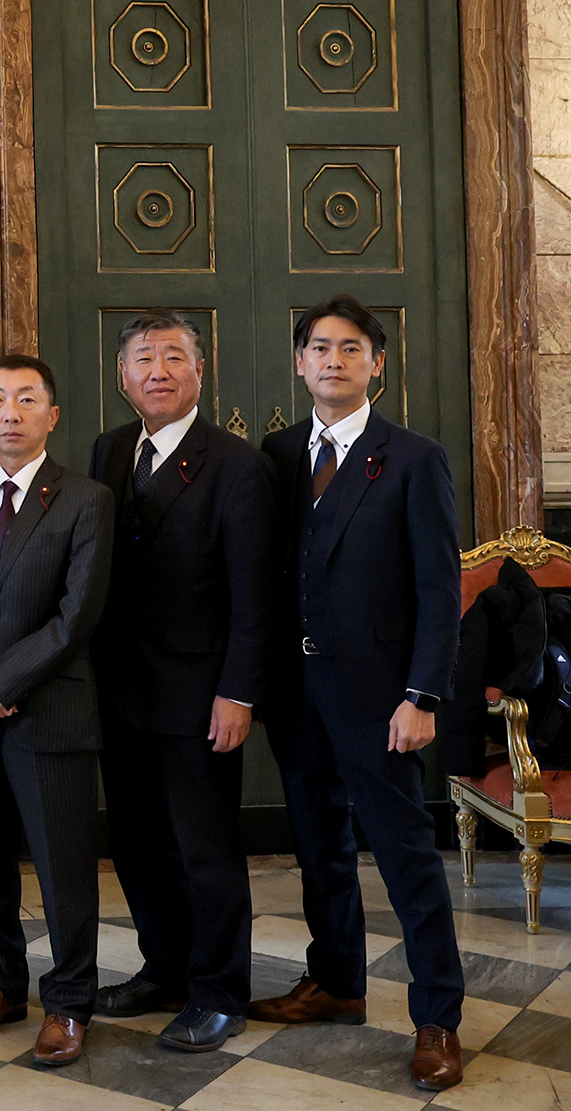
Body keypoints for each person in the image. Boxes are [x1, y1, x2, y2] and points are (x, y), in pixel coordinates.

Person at [250, 297, 466, 1091]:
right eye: (318, 348)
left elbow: (440, 593)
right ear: (300, 363)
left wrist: (422, 697)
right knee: (318, 848)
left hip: (381, 699)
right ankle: (337, 981)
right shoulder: (275, 454)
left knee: (407, 857)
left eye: (350, 348)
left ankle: (438, 1017)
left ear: (378, 362)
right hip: (296, 693)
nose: (332, 360)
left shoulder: (411, 458)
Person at [88, 311, 275, 1053]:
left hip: (200, 696)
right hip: (119, 690)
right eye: (143, 358)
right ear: (123, 376)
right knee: (137, 846)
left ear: (200, 373)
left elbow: (255, 594)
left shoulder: (237, 465)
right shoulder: (108, 450)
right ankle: (163, 968)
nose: (158, 370)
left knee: (206, 850)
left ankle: (220, 991)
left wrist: (239, 692)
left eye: (174, 357)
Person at [0, 355, 112, 1068]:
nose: (11, 412)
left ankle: (70, 1003)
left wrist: (2, 683)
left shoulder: (85, 499)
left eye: (27, 399)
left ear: (53, 414)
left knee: (63, 870)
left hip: (50, 717)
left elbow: (77, 618)